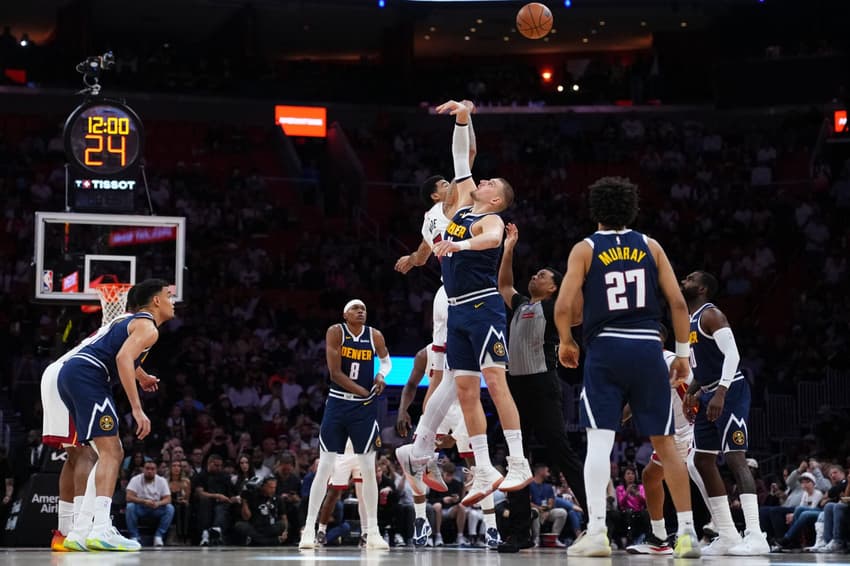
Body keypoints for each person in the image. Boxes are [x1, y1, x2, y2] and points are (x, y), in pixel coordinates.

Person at [554, 176, 700, 558]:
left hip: (605, 348)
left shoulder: (585, 248)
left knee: (600, 441)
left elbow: (564, 304)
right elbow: (679, 304)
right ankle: (687, 535)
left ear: (595, 210)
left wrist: (566, 341)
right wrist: (682, 354)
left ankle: (598, 533)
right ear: (632, 208)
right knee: (666, 445)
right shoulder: (651, 246)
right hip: (649, 348)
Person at [417, 98, 531, 506]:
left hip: (484, 306)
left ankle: (518, 460)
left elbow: (490, 240)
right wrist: (464, 118)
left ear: (498, 199)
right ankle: (483, 466)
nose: (484, 182)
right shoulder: (465, 200)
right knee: (466, 389)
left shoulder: (492, 219)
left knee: (495, 381)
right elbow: (460, 156)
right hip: (458, 308)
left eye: (491, 184)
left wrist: (458, 243)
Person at [55, 279, 173, 551]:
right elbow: (122, 358)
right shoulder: (148, 327)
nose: (172, 302)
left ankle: (80, 532)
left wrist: (141, 376)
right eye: (168, 296)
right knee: (113, 452)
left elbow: (119, 352)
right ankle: (101, 529)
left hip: (72, 374)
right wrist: (137, 408)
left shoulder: (131, 322)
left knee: (107, 451)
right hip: (88, 376)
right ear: (156, 301)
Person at [496, 222, 588, 552]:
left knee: (561, 452)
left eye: (543, 276)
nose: (535, 276)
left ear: (553, 289)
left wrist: (576, 276)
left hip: (543, 385)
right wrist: (509, 248)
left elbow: (576, 316)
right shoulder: (521, 304)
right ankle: (519, 533)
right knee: (515, 458)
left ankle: (594, 521)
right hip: (514, 388)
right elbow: (504, 284)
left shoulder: (555, 308)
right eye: (535, 273)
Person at [681, 270, 770, 555]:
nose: (684, 280)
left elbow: (732, 356)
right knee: (701, 461)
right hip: (708, 391)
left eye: (691, 279)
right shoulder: (690, 320)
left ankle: (756, 535)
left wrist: (720, 391)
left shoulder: (712, 315)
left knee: (735, 458)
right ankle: (729, 534)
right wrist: (693, 392)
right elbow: (703, 367)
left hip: (730, 391)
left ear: (703, 289)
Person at [299, 299, 391, 550]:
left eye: (364, 308)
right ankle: (309, 529)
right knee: (325, 466)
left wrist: (381, 375)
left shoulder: (375, 336)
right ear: (345, 314)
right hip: (339, 404)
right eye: (355, 308)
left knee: (368, 469)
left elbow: (386, 361)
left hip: (363, 410)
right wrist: (364, 391)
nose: (361, 311)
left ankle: (372, 532)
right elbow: (335, 373)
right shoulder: (335, 331)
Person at [625, 325, 714, 555]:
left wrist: (698, 423)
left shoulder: (670, 362)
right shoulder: (643, 367)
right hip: (672, 433)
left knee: (697, 474)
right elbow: (637, 400)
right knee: (650, 476)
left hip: (688, 431)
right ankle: (659, 537)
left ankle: (721, 528)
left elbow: (695, 393)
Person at [125, 460, 174, 546]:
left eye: (152, 469)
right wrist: (144, 501)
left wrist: (158, 503)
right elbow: (128, 497)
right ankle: (134, 536)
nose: (149, 471)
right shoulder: (135, 479)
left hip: (156, 507)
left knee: (170, 508)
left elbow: (168, 499)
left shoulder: (162, 480)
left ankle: (158, 536)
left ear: (156, 470)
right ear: (143, 469)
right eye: (147, 468)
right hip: (141, 507)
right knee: (130, 507)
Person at [234, 476, 288, 546]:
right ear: (263, 486)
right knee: (240, 525)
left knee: (282, 524)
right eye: (270, 487)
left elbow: (284, 517)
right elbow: (246, 517)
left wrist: (285, 531)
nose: (273, 490)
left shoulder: (278, 499)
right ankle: (270, 541)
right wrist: (244, 501)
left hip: (270, 528)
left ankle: (257, 540)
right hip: (256, 527)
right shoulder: (253, 497)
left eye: (274, 487)